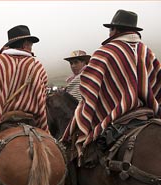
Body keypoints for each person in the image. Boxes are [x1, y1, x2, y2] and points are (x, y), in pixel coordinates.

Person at [62, 9, 161, 160]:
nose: (109, 33)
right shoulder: (147, 52)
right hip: (147, 113)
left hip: (115, 115)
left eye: (110, 29)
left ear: (115, 29)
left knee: (73, 143)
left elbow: (90, 90)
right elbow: (158, 84)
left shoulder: (105, 52)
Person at [0, 25, 48, 145]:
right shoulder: (37, 66)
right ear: (24, 44)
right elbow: (42, 98)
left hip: (0, 122)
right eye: (30, 44)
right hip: (30, 121)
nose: (31, 47)